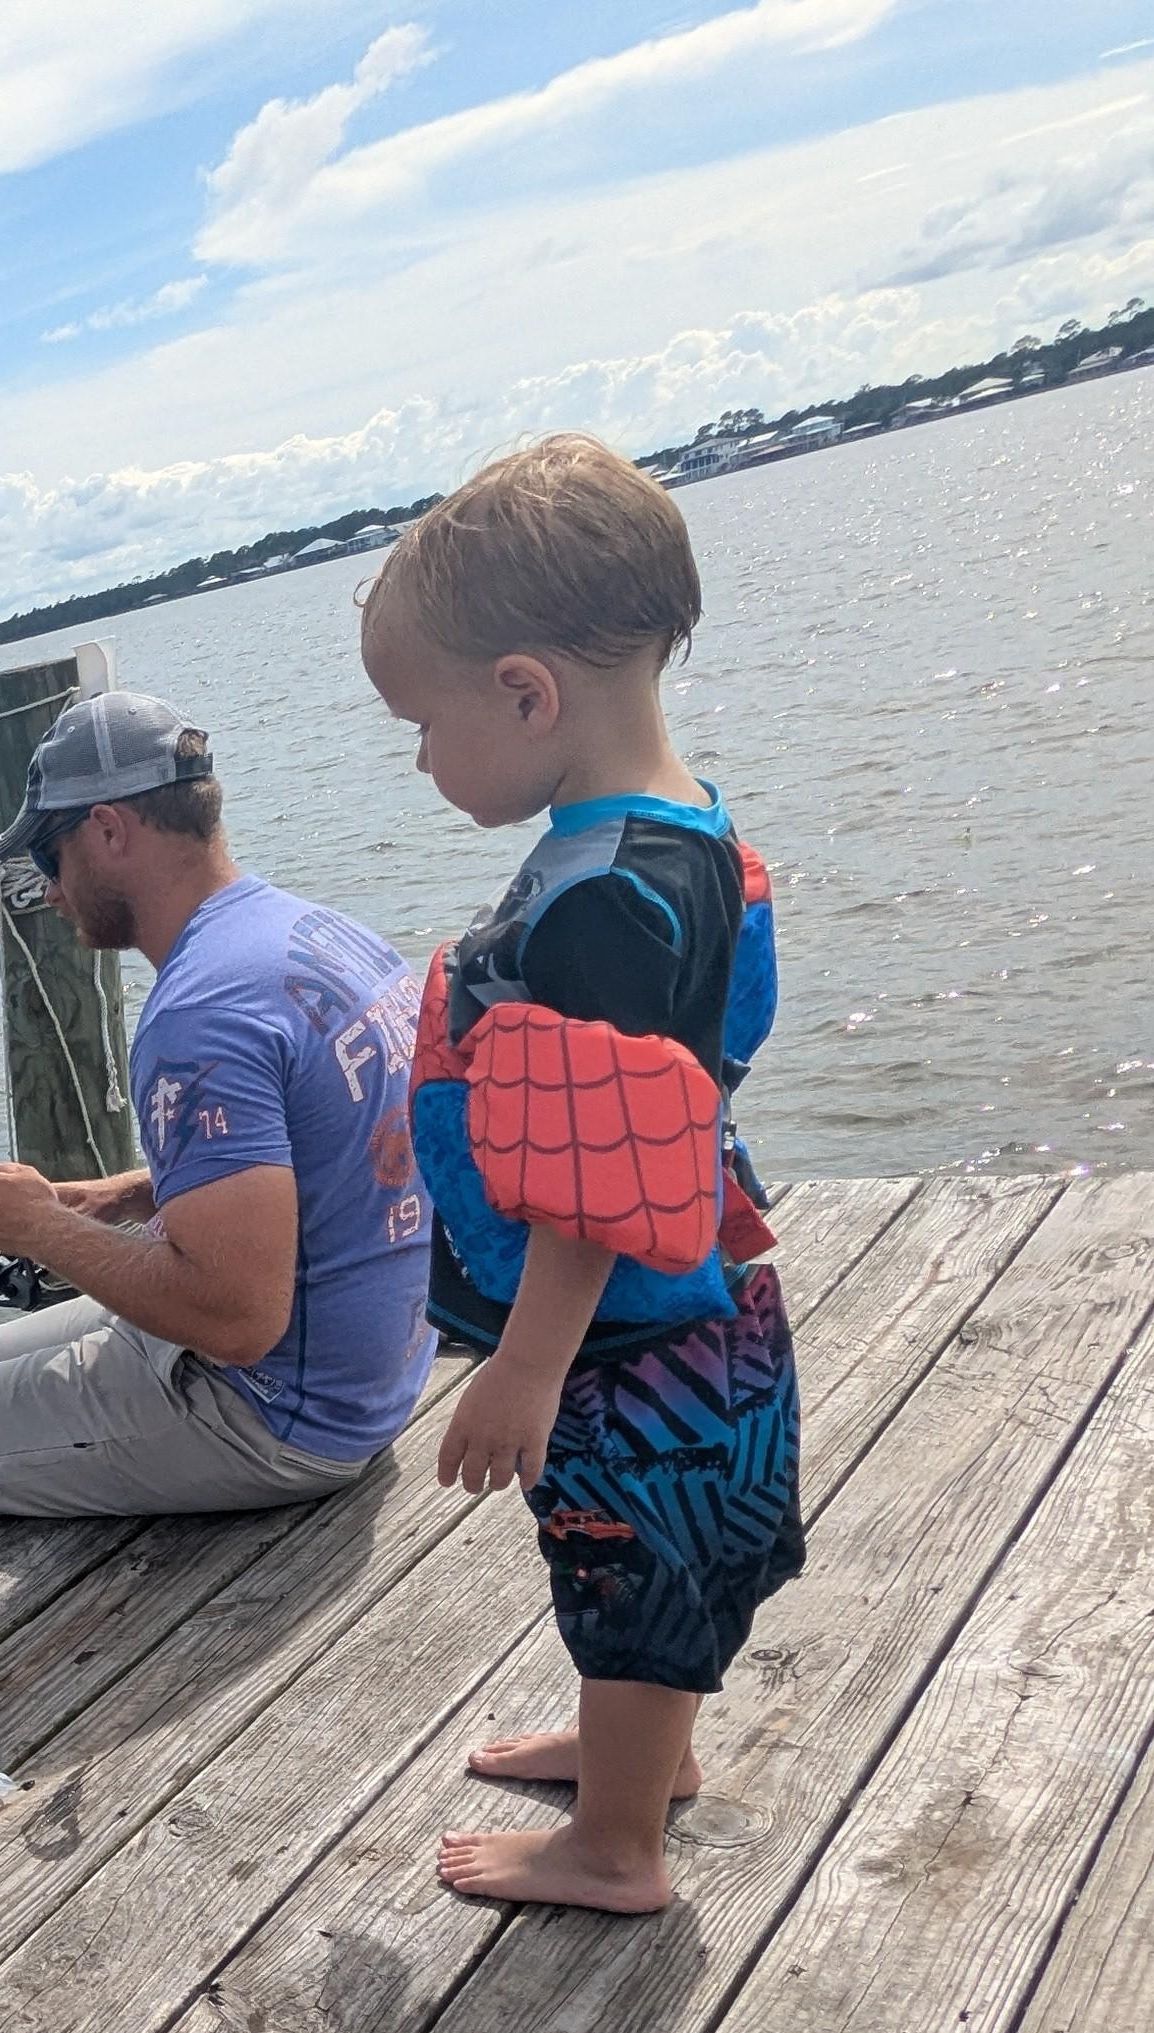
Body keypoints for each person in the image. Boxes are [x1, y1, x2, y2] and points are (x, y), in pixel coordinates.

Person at [0, 689, 438, 1615]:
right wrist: (134, 1194)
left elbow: (234, 1318)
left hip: (279, 1412)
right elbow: (325, 1147)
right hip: (365, 1365)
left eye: (45, 854)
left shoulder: (198, 1015)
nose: (48, 888)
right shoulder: (312, 934)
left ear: (108, 830)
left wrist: (38, 1231)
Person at [361, 435, 798, 1916]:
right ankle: (640, 1756)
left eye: (420, 723)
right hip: (676, 1311)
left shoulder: (607, 896)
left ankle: (617, 1844)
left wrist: (525, 1366)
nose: (421, 757)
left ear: (526, 691)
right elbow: (556, 1080)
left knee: (629, 1565)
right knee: (632, 1570)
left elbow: (599, 1178)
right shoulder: (671, 832)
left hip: (631, 1333)